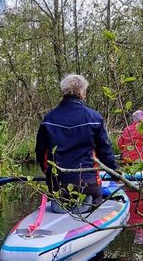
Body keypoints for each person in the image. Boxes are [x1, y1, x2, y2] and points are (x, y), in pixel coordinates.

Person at [36, 73, 118, 209]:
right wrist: (115, 173)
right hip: (88, 184)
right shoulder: (95, 118)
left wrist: (48, 175)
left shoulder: (48, 119)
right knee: (95, 197)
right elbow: (105, 151)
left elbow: (41, 153)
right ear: (82, 93)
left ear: (64, 92)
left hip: (58, 185)